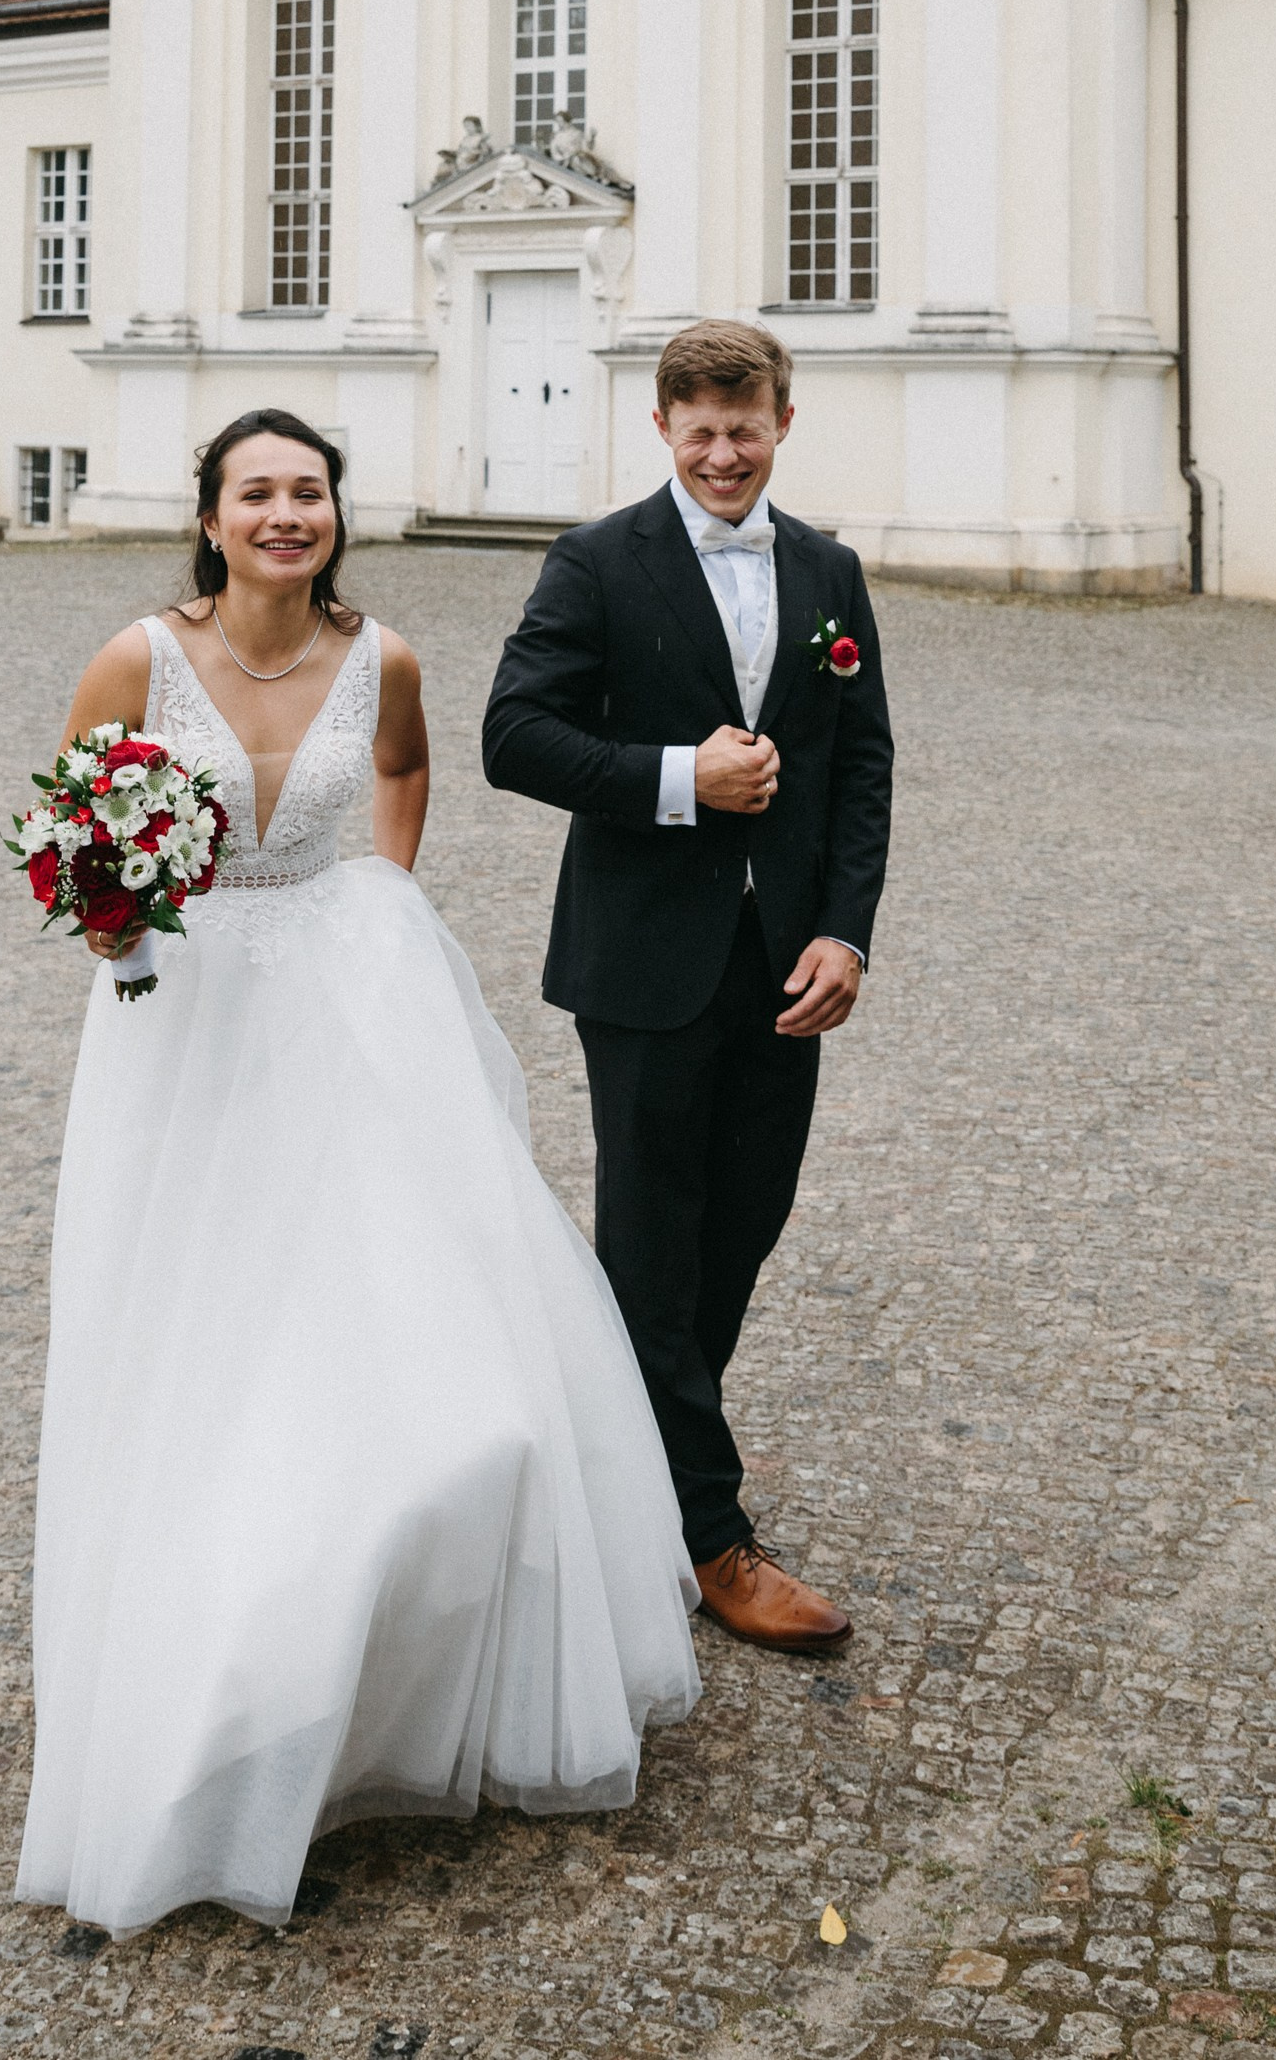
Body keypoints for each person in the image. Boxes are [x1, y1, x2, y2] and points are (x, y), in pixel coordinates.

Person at [16, 409, 699, 1938]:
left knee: (423, 1348)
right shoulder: (135, 658)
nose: (284, 514)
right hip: (182, 1032)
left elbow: (399, 776)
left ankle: (379, 1670)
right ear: (208, 516)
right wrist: (119, 918)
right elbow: (73, 837)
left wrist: (379, 902)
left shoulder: (384, 656)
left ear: (336, 515)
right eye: (255, 492)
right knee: (197, 1345)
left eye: (307, 492)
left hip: (346, 1013)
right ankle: (208, 1700)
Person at [482, 325, 893, 1655]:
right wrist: (677, 778)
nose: (724, 454)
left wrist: (845, 932)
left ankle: (635, 1464)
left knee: (745, 1223)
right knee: (654, 1245)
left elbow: (862, 766)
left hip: (784, 965)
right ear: (662, 427)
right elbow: (514, 736)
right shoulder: (599, 560)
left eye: (748, 428)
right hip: (646, 958)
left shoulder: (827, 569)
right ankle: (708, 1534)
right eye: (700, 431)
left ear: (784, 421)